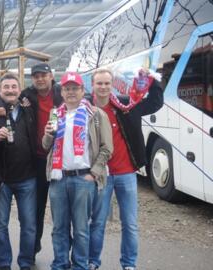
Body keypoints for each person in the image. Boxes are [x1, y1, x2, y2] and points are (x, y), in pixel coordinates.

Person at [88, 68, 164, 270]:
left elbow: (155, 103)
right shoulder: (86, 109)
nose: (103, 87)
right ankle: (92, 262)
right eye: (99, 83)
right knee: (97, 222)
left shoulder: (125, 105)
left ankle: (129, 264)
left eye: (106, 83)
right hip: (100, 175)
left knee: (129, 224)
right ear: (92, 85)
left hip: (126, 173)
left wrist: (153, 80)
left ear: (112, 84)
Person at [43, 72, 112, 270]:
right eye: (67, 88)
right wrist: (48, 135)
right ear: (62, 92)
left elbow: (107, 148)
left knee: (81, 228)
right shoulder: (55, 113)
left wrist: (94, 174)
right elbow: (46, 145)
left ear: (83, 91)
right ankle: (60, 263)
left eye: (75, 88)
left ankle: (80, 265)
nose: (71, 92)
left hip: (83, 178)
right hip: (58, 177)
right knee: (59, 228)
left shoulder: (96, 114)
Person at [0, 73, 38, 270]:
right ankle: (4, 263)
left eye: (14, 87)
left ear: (19, 89)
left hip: (27, 177)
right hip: (2, 179)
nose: (10, 90)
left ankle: (25, 263)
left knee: (29, 225)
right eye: (6, 87)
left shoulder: (28, 109)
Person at [21, 63, 62, 256]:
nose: (40, 79)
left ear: (51, 76)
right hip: (37, 160)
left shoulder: (62, 93)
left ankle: (62, 254)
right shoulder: (27, 95)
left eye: (43, 75)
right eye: (36, 76)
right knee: (36, 209)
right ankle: (32, 249)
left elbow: (84, 99)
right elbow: (5, 99)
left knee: (61, 211)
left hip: (61, 160)